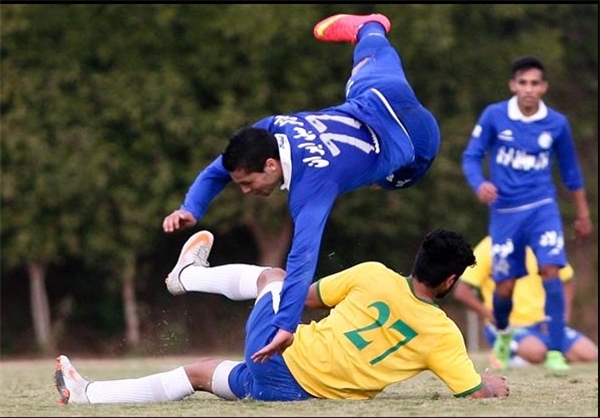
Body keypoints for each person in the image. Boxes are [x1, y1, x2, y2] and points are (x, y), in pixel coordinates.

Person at [162, 13, 441, 360]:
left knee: (393, 181)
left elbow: (302, 257)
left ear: (271, 165)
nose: (245, 191)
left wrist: (286, 324)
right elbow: (219, 169)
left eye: (248, 183)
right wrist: (191, 208)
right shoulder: (270, 127)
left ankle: (368, 31)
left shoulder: (312, 185)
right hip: (375, 92)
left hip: (415, 139)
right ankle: (368, 26)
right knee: (368, 57)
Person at [54, 228, 510, 405]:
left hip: (277, 358)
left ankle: (188, 277)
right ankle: (87, 394)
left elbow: (301, 298)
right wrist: (491, 383)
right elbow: (473, 392)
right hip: (290, 394)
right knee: (199, 374)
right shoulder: (444, 334)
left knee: (273, 278)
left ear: (418, 259)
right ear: (451, 280)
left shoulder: (373, 274)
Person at [461, 55, 593, 371]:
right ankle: (503, 331)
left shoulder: (557, 124)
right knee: (504, 285)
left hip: (542, 208)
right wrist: (480, 183)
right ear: (513, 85)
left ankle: (556, 351)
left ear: (544, 87)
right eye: (523, 83)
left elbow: (571, 172)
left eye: (535, 83)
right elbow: (471, 156)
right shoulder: (494, 116)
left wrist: (583, 213)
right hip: (506, 213)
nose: (529, 89)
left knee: (551, 270)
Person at [453, 236, 598, 369]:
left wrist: (561, 317)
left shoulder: (544, 243)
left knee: (590, 354)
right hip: (510, 325)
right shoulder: (491, 245)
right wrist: (494, 317)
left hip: (544, 323)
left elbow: (567, 279)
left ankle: (534, 358)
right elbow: (462, 291)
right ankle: (507, 354)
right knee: (536, 352)